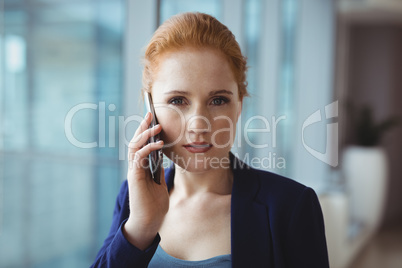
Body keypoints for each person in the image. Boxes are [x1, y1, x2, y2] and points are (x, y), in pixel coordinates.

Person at [91, 12, 329, 268]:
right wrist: (141, 227)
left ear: (238, 108)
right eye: (177, 101)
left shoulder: (291, 207)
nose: (198, 124)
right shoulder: (132, 197)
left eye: (218, 100)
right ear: (151, 108)